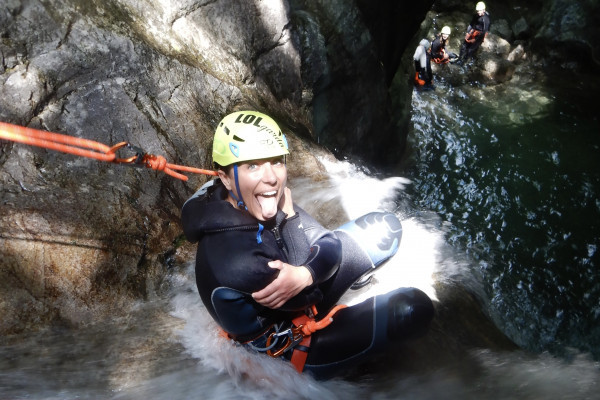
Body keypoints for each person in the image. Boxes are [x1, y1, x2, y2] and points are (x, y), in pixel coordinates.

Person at [181, 110, 434, 379]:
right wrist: (290, 221)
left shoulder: (220, 194)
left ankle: (340, 278)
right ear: (226, 177)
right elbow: (310, 294)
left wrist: (305, 272)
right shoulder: (239, 261)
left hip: (298, 280)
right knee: (413, 310)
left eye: (277, 161)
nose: (271, 178)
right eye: (252, 165)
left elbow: (326, 242)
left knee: (386, 226)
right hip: (287, 346)